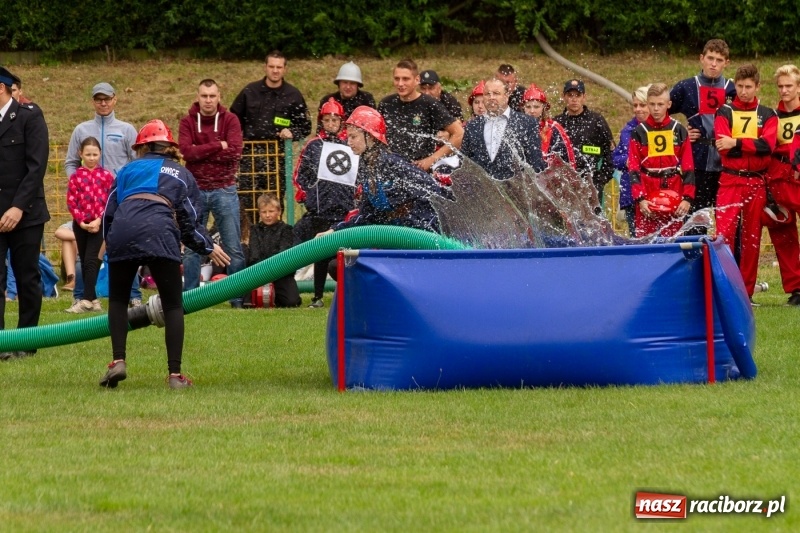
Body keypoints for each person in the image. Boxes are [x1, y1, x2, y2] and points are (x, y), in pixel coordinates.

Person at [99, 119, 230, 389]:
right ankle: (175, 376)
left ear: (142, 148)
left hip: (123, 230)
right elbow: (189, 220)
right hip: (159, 231)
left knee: (118, 301)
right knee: (172, 305)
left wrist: (110, 243)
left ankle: (118, 361)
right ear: (169, 147)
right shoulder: (181, 173)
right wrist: (208, 246)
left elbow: (108, 215)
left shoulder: (125, 171)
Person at [64, 81, 142, 306]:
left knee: (125, 247)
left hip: (119, 199)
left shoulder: (126, 130)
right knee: (86, 254)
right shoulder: (81, 130)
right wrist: (79, 185)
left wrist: (129, 191)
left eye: (107, 98)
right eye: (99, 99)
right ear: (93, 102)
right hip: (88, 207)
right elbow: (70, 162)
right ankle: (81, 297)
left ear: (115, 99)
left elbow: (136, 164)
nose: (103, 103)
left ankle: (133, 296)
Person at [321, 106, 453, 236]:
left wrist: (413, 227)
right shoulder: (368, 168)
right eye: (348, 137)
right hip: (398, 237)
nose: (348, 142)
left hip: (423, 237)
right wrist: (334, 231)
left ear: (371, 137)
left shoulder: (392, 164)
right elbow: (366, 216)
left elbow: (435, 195)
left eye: (353, 137)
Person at [178, 78, 246, 307]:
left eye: (212, 96)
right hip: (194, 191)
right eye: (204, 96)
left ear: (219, 97)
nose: (208, 100)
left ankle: (237, 298)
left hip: (224, 189)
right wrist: (218, 145)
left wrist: (202, 151)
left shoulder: (231, 120)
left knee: (234, 247)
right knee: (191, 248)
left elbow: (235, 152)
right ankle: (190, 299)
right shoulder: (187, 122)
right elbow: (187, 153)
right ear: (198, 97)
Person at [714, 64, 777, 302]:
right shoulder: (724, 112)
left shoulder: (768, 114)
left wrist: (737, 143)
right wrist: (751, 144)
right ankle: (723, 289)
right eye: (739, 86)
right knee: (724, 235)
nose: (743, 91)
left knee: (752, 239)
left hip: (756, 183)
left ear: (757, 86)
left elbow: (768, 147)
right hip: (730, 180)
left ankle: (746, 293)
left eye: (748, 87)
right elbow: (723, 149)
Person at [0, 66, 50, 361]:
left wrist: (17, 207)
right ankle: (2, 343)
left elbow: (36, 166)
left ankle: (26, 342)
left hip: (26, 213)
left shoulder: (30, 116)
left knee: (27, 277)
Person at [230, 50, 311, 211]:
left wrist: (292, 132)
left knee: (274, 200)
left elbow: (306, 126)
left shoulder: (293, 95)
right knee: (247, 199)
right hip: (250, 156)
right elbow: (232, 120)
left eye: (279, 67)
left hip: (277, 157)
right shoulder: (249, 91)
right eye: (272, 66)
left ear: (284, 69)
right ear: (265, 67)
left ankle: (274, 235)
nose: (275, 70)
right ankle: (249, 234)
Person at [293, 98, 354, 308]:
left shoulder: (350, 145)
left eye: (335, 120)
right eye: (327, 120)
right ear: (321, 121)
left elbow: (359, 175)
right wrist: (306, 195)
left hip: (345, 211)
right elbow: (300, 174)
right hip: (320, 210)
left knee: (344, 256)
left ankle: (347, 294)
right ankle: (317, 296)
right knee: (320, 254)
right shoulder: (313, 145)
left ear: (341, 121)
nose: (331, 124)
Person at [669, 39, 736, 229]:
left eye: (719, 60)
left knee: (729, 223)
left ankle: (728, 259)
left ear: (726, 63)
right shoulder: (686, 87)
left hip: (727, 166)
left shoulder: (734, 89)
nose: (714, 64)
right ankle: (694, 258)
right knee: (695, 221)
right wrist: (681, 133)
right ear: (702, 59)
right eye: (710, 58)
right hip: (697, 162)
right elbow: (658, 116)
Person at [627, 83, 695, 238]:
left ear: (668, 104)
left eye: (660, 104)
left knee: (673, 238)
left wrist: (687, 198)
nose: (656, 109)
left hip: (673, 187)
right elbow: (633, 167)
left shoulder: (679, 130)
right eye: (652, 104)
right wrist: (640, 198)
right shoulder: (638, 132)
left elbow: (688, 166)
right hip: (647, 187)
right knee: (645, 240)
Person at [377, 59, 463, 171]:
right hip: (390, 168)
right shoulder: (386, 103)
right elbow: (375, 135)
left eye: (405, 79)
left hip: (419, 170)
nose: (400, 84)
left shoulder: (430, 104)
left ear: (417, 79)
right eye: (397, 79)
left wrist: (432, 159)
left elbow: (459, 133)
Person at [763, 64, 800, 305]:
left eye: (789, 86)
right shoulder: (772, 117)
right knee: (783, 232)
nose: (784, 90)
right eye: (781, 86)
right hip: (778, 176)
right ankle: (796, 288)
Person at [460, 78, 546, 180]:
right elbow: (464, 162)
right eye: (487, 94)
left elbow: (535, 163)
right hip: (482, 190)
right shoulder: (472, 126)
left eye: (496, 93)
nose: (491, 97)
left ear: (506, 96)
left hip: (516, 190)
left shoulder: (527, 123)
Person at [65, 136, 113, 313]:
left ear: (100, 154)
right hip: (81, 225)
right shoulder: (76, 177)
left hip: (99, 225)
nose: (92, 158)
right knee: (85, 260)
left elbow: (109, 201)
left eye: (95, 154)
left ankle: (85, 300)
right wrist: (81, 222)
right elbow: (72, 201)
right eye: (88, 154)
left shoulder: (106, 176)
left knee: (92, 260)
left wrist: (99, 219)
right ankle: (93, 299)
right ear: (80, 154)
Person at [554, 79, 615, 204]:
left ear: (584, 97)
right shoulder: (557, 123)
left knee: (592, 222)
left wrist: (601, 179)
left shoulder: (596, 121)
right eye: (570, 95)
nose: (574, 99)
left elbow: (611, 152)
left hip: (590, 182)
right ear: (564, 97)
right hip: (565, 184)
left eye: (578, 95)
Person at [247, 193, 302, 308]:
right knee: (248, 303)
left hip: (281, 273)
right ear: (259, 213)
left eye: (271, 211)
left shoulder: (286, 230)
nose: (267, 215)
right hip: (259, 271)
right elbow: (254, 254)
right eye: (264, 212)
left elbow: (283, 254)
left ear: (279, 211)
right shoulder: (255, 230)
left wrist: (272, 271)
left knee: (291, 302)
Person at [612, 85, 651, 236]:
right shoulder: (627, 130)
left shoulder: (662, 129)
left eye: (642, 105)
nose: (638, 109)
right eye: (635, 105)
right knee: (636, 237)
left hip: (654, 191)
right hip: (631, 193)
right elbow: (615, 158)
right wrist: (626, 161)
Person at [522, 84, 576, 169]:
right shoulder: (518, 127)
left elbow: (569, 159)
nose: (532, 111)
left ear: (544, 108)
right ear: (523, 108)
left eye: (536, 107)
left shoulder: (554, 128)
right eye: (528, 107)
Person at [317, 61, 375, 128]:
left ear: (358, 85)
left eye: (352, 83)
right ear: (339, 84)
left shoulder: (366, 100)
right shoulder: (327, 100)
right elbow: (320, 129)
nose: (348, 87)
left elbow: (372, 127)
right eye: (345, 82)